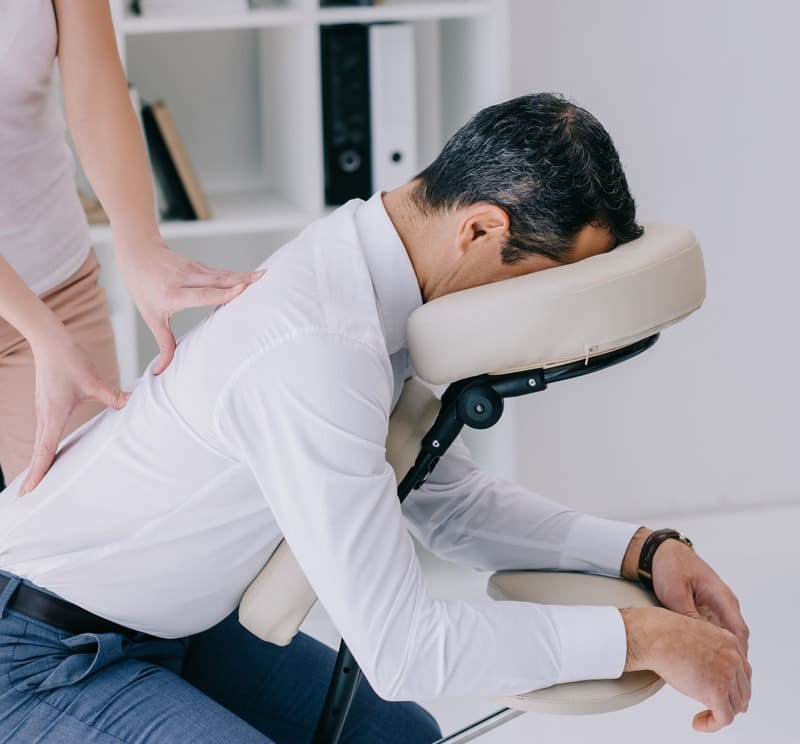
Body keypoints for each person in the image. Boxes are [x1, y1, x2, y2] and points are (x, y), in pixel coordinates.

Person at [0, 94, 750, 743]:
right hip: (37, 652)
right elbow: (404, 649)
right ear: (482, 229)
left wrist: (642, 553)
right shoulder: (318, 347)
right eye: (543, 282)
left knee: (403, 741)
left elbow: (435, 493)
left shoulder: (369, 276)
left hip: (167, 625)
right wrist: (642, 637)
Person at [0, 1, 263, 493]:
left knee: (83, 523)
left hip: (56, 286)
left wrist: (141, 245)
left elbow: (96, 87)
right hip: (42, 321)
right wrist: (40, 331)